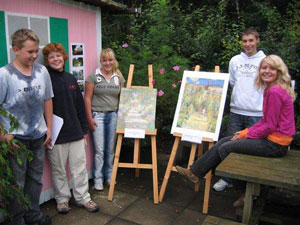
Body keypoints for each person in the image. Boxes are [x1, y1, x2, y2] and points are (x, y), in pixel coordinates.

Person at [176, 55, 296, 207]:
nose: (267, 71)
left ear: (279, 71)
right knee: (226, 140)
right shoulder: (272, 88)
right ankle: (195, 172)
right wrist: (244, 133)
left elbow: (269, 126)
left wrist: (245, 133)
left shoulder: (274, 92)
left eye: (272, 68)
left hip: (275, 145)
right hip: (273, 139)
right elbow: (265, 122)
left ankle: (246, 193)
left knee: (226, 148)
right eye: (264, 68)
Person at [0, 29, 53, 225]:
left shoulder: (42, 71)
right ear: (16, 50)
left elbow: (48, 99)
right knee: (16, 183)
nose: (34, 55)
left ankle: (33, 215)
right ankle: (16, 220)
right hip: (15, 140)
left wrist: (48, 127)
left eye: (36, 51)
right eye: (30, 52)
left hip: (37, 136)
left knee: (35, 180)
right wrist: (3, 136)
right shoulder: (4, 75)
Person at [42, 43, 99, 214]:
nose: (56, 59)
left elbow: (80, 107)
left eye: (58, 56)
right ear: (47, 60)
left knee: (79, 169)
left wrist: (84, 131)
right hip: (56, 135)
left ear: (64, 57)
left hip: (75, 133)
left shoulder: (71, 78)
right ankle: (62, 200)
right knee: (58, 170)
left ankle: (83, 198)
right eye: (51, 57)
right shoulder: (45, 80)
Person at [213, 28, 266, 192]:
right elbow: (234, 83)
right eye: (244, 41)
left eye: (251, 40)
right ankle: (227, 179)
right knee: (229, 144)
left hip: (257, 113)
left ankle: (249, 184)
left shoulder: (266, 60)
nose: (248, 44)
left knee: (252, 150)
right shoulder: (235, 60)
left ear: (257, 40)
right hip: (236, 111)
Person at [84, 48, 125, 191]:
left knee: (110, 150)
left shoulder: (118, 77)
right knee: (100, 150)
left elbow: (122, 99)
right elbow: (87, 98)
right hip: (98, 116)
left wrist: (122, 118)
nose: (107, 63)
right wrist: (89, 118)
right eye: (104, 60)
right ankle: (98, 179)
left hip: (113, 115)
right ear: (101, 61)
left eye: (110, 60)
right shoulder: (93, 76)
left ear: (114, 61)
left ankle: (109, 176)